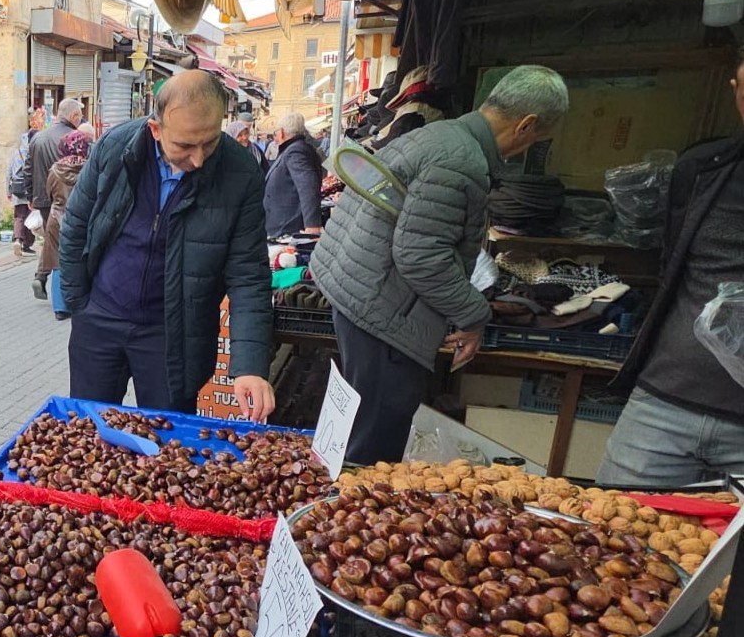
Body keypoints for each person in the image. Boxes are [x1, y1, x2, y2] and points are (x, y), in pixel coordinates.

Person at [310, 65, 569, 465]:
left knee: (352, 436)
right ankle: (337, 516)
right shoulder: (461, 162)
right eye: (539, 138)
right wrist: (473, 314)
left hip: (362, 297)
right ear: (526, 125)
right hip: (384, 316)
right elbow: (420, 256)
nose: (532, 147)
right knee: (369, 455)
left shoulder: (439, 136)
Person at [58, 70, 276, 420]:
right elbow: (75, 225)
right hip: (100, 319)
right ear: (156, 130)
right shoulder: (116, 147)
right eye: (185, 146)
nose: (199, 159)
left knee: (168, 448)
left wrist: (249, 365)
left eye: (210, 142)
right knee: (88, 432)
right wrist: (77, 304)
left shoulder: (241, 174)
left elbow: (248, 276)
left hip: (174, 335)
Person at [597, 55, 744, 488]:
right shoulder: (702, 170)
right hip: (664, 402)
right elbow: (671, 267)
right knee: (611, 535)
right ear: (736, 91)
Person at [27, 98, 83, 296]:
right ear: (73, 116)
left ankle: (41, 276)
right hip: (68, 199)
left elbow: (28, 169)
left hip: (43, 198)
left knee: (51, 240)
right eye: (80, 116)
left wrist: (30, 195)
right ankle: (61, 290)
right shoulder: (74, 138)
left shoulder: (38, 138)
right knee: (63, 243)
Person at [41, 130, 95, 322]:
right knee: (82, 258)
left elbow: (49, 194)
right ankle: (81, 300)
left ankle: (60, 306)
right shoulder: (90, 168)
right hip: (83, 218)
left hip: (58, 218)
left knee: (57, 261)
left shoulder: (55, 170)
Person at [264, 112, 325, 238]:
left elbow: (308, 186)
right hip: (283, 225)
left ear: (281, 132)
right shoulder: (296, 149)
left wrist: (312, 224)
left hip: (288, 227)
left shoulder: (295, 151)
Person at [6, 109, 44, 258]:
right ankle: (26, 244)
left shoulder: (16, 153)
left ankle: (17, 240)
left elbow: (8, 172)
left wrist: (7, 190)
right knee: (29, 216)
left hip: (16, 187)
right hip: (29, 189)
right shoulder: (34, 152)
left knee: (19, 216)